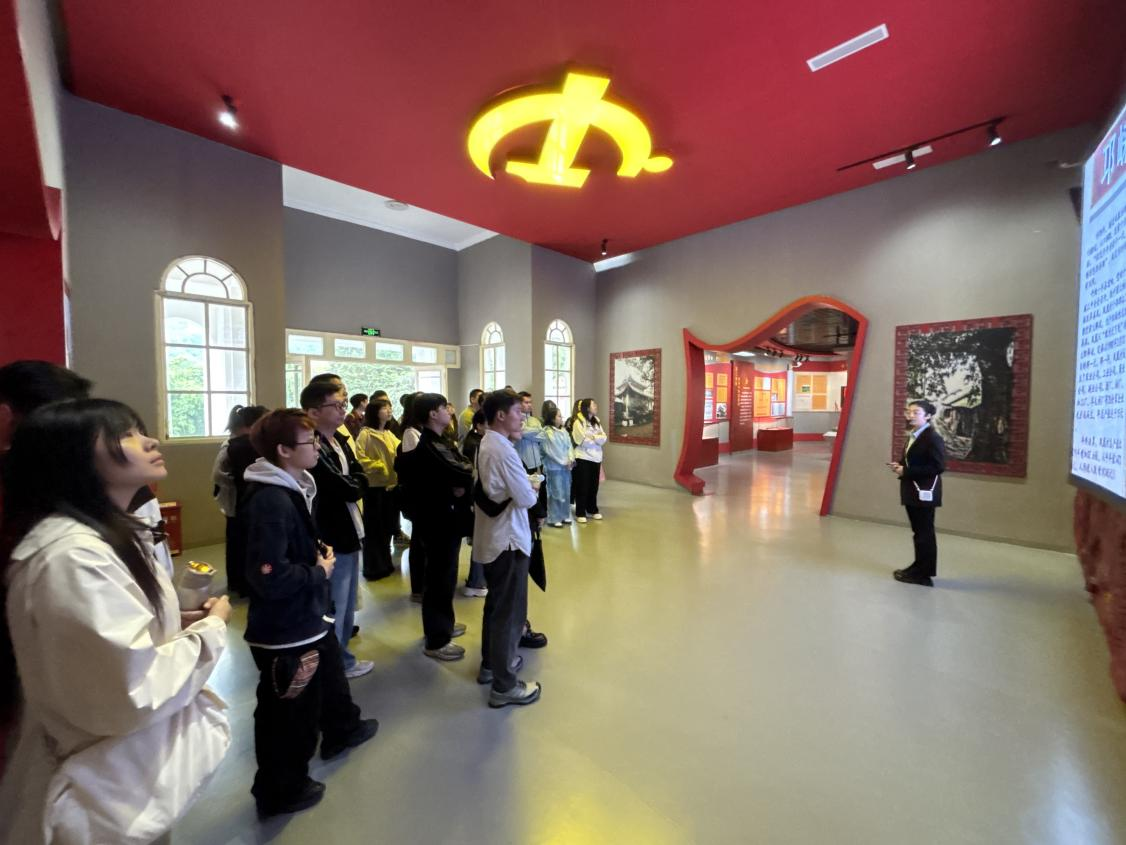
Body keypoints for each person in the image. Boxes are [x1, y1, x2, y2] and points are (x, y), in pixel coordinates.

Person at [0, 399, 231, 844]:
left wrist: (170, 622)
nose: (151, 441)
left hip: (120, 774)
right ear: (75, 458)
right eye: (126, 435)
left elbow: (111, 636)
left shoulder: (107, 534)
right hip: (97, 786)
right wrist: (210, 629)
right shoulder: (72, 558)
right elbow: (131, 689)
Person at [242, 409, 378, 817]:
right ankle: (281, 790)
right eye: (309, 441)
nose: (317, 447)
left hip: (307, 617)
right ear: (283, 450)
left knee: (331, 675)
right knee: (289, 713)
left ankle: (342, 728)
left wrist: (315, 551)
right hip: (285, 628)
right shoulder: (270, 501)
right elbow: (268, 576)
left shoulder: (293, 487)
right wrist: (317, 571)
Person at [473, 389, 542, 707]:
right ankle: (504, 685)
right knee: (509, 614)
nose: (523, 417)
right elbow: (526, 498)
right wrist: (532, 487)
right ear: (500, 415)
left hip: (496, 538)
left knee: (496, 606)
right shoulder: (502, 450)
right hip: (508, 541)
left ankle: (492, 664)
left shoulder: (488, 442)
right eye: (518, 412)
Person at [300, 380, 373, 679]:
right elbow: (345, 488)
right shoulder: (313, 447)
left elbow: (359, 475)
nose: (343, 410)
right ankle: (336, 663)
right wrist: (356, 484)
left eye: (344, 404)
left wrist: (356, 483)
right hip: (332, 534)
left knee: (346, 603)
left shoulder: (339, 440)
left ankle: (341, 656)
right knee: (335, 604)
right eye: (337, 405)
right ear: (314, 412)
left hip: (349, 528)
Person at [395, 393, 473, 660]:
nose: (449, 410)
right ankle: (437, 639)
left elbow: (464, 466)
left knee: (446, 576)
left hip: (445, 519)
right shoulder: (429, 445)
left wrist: (459, 481)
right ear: (432, 414)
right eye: (444, 407)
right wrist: (456, 485)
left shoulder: (441, 441)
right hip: (437, 521)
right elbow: (463, 472)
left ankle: (444, 625)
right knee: (439, 579)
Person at [212, 404, 268, 597]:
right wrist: (239, 482)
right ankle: (239, 583)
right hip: (236, 502)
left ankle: (241, 582)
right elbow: (218, 475)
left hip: (242, 501)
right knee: (239, 543)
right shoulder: (233, 445)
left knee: (242, 542)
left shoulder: (247, 443)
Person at [889, 400, 946, 587]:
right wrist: (900, 466)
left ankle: (924, 575)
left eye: (916, 412)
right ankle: (918, 567)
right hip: (913, 490)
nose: (910, 415)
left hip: (924, 492)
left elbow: (938, 467)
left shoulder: (932, 438)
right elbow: (913, 460)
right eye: (909, 412)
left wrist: (906, 471)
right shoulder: (915, 435)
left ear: (928, 416)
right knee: (919, 532)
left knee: (924, 533)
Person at [354, 398, 400, 580]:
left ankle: (385, 562)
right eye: (384, 408)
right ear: (374, 412)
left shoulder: (389, 434)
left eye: (390, 407)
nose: (389, 410)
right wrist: (377, 466)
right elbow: (359, 458)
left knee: (387, 527)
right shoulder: (365, 434)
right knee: (374, 528)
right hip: (374, 487)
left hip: (390, 486)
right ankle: (373, 567)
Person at [461, 410, 489, 598]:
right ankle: (476, 581)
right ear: (479, 425)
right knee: (481, 540)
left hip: (478, 497)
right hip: (478, 498)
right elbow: (475, 475)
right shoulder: (475, 444)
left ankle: (479, 580)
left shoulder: (479, 441)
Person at [570, 398, 607, 523]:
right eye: (593, 405)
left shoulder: (596, 421)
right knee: (582, 486)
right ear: (587, 408)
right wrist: (596, 439)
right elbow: (581, 441)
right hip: (583, 457)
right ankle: (580, 512)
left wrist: (593, 437)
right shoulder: (578, 422)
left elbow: (604, 438)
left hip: (596, 458)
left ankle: (592, 509)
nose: (596, 406)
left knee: (593, 486)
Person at [541, 402, 575, 527]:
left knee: (566, 491)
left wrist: (570, 459)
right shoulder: (547, 432)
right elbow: (551, 451)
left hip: (566, 467)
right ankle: (554, 517)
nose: (561, 418)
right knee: (555, 492)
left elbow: (569, 447)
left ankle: (565, 515)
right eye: (559, 416)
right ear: (552, 418)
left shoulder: (564, 431)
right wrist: (564, 461)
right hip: (554, 467)